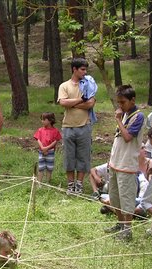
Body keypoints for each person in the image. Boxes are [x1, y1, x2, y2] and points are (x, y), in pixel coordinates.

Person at [104, 85, 145, 242]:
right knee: (114, 198)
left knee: (127, 199)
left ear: (132, 100)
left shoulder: (139, 116)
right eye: (118, 102)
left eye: (123, 102)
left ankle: (127, 230)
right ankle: (120, 224)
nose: (120, 105)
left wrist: (119, 120)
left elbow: (128, 137)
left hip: (127, 165)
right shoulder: (125, 115)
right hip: (115, 163)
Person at [58, 58, 97, 195]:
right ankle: (70, 185)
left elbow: (90, 103)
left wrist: (72, 103)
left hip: (84, 125)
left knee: (83, 156)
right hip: (68, 126)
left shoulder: (88, 84)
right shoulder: (64, 86)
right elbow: (63, 102)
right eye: (82, 69)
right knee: (69, 156)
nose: (85, 72)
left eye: (86, 69)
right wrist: (81, 100)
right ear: (74, 69)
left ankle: (79, 184)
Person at [33, 112, 62, 185]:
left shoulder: (55, 131)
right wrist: (43, 148)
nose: (42, 121)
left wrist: (47, 148)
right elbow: (38, 139)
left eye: (44, 119)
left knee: (49, 167)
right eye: (41, 119)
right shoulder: (40, 130)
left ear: (50, 120)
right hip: (41, 151)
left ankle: (47, 182)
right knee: (41, 167)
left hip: (50, 152)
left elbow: (55, 141)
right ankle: (39, 182)